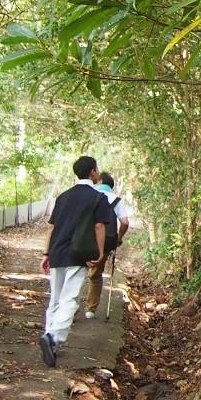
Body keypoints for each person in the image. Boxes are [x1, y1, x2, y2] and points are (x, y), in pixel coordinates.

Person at [39, 156, 112, 367]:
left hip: (57, 252)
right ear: (93, 172)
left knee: (55, 299)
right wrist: (99, 253)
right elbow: (99, 227)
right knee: (70, 299)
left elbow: (52, 227)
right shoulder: (98, 198)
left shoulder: (63, 197)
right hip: (78, 254)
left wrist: (46, 253)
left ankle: (50, 339)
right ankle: (53, 338)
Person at [83, 170, 130, 320]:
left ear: (101, 181)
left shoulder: (88, 195)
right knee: (96, 274)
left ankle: (69, 307)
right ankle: (91, 308)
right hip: (106, 241)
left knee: (76, 271)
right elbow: (124, 222)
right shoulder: (116, 199)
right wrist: (119, 238)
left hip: (85, 237)